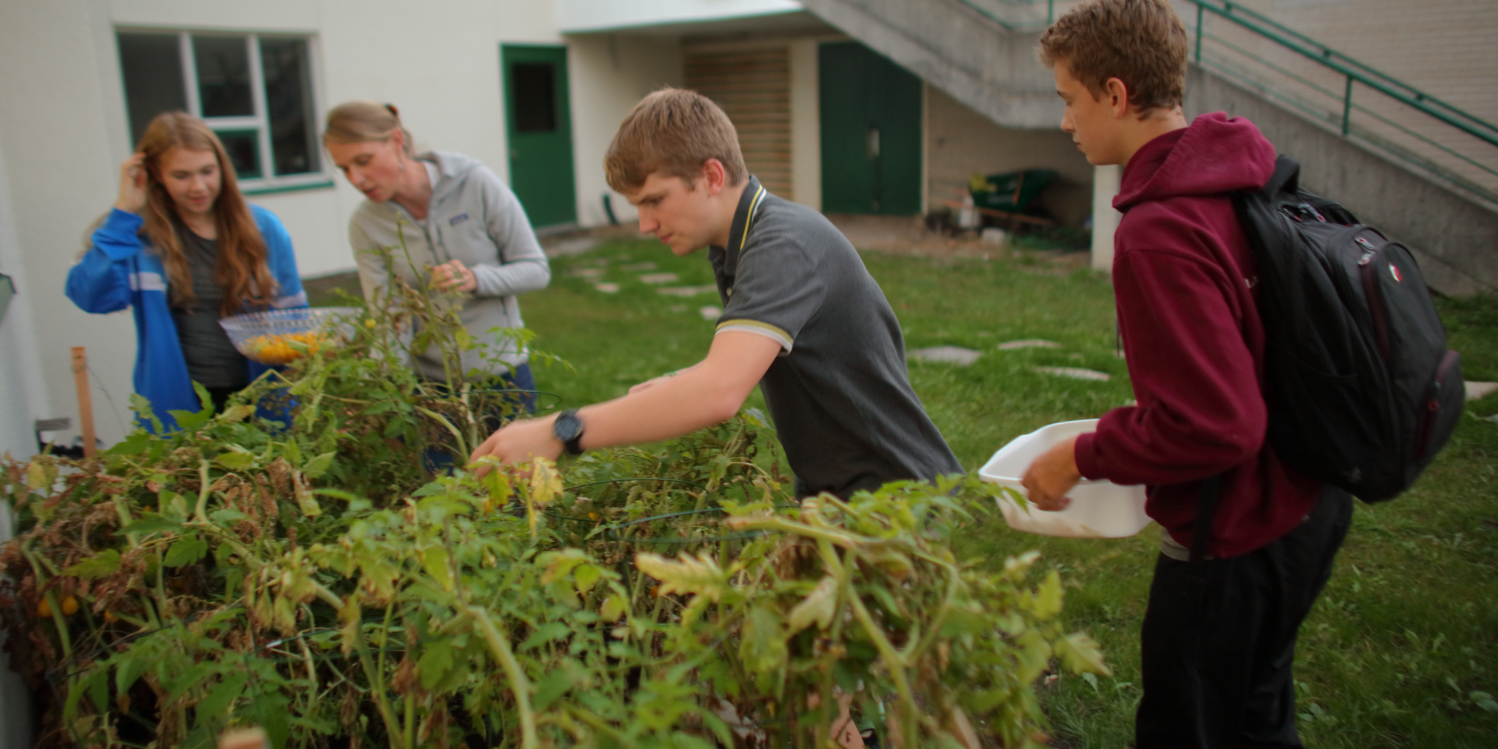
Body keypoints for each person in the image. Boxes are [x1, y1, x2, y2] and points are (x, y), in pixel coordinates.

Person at [1019, 0, 1352, 749]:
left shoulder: (1161, 228)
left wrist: (1079, 455)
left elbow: (1215, 423)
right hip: (1309, 496)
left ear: (1116, 96)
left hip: (1237, 532)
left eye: (1069, 99)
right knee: (1258, 726)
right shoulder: (1238, 177)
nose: (1066, 121)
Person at [471, 88, 961, 501]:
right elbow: (756, 360)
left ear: (711, 176)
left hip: (896, 494)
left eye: (654, 201)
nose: (644, 225)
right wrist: (685, 380)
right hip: (836, 491)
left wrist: (560, 431)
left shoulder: (784, 245)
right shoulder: (736, 242)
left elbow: (719, 394)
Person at [67, 111, 306, 431]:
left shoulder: (263, 228)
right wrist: (124, 211)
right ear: (155, 174)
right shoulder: (140, 238)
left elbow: (295, 321)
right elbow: (90, 296)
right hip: (178, 409)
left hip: (263, 403)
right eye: (181, 175)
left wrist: (305, 389)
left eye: (207, 171)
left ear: (222, 167)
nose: (198, 186)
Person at [322, 101, 550, 419]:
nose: (357, 179)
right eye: (345, 169)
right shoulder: (366, 225)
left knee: (517, 470)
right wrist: (379, 391)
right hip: (430, 389)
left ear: (397, 142)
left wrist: (476, 279)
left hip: (502, 376)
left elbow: (536, 269)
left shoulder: (474, 184)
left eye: (364, 161)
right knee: (440, 472)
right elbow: (388, 314)